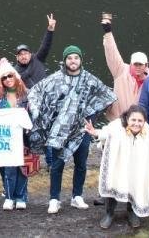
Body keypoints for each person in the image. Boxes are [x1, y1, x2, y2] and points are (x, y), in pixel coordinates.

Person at [27, 44, 116, 215]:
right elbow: (35, 92)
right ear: (65, 60)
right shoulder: (55, 78)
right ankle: (54, 199)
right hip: (60, 131)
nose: (73, 61)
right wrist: (40, 112)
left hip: (82, 130)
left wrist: (91, 114)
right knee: (57, 164)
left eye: (76, 57)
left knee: (81, 164)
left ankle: (77, 196)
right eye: (70, 58)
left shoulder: (89, 79)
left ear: (80, 60)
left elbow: (107, 94)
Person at [83, 105, 149, 230]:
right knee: (113, 183)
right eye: (133, 120)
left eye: (140, 121)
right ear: (127, 118)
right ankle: (109, 213)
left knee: (134, 185)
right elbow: (105, 134)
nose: (136, 123)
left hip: (137, 166)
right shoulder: (116, 126)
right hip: (118, 163)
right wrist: (95, 133)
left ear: (144, 121)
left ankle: (131, 212)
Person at [0, 62, 30, 211]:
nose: (8, 79)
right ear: (1, 81)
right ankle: (10, 197)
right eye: (4, 77)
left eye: (11, 76)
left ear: (16, 77)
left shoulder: (26, 94)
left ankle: (21, 197)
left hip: (24, 137)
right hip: (6, 139)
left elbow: (34, 115)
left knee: (22, 168)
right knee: (9, 168)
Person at [100, 12, 149, 120]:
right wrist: (108, 32)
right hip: (117, 120)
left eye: (140, 64)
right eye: (135, 64)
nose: (137, 67)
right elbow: (112, 52)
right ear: (131, 63)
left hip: (138, 122)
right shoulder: (120, 70)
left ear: (146, 65)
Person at [11, 14, 56, 89]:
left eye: (25, 53)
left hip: (47, 91)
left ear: (30, 54)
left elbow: (45, 45)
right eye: (20, 54)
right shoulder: (15, 72)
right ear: (17, 58)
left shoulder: (38, 58)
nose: (23, 56)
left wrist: (50, 29)